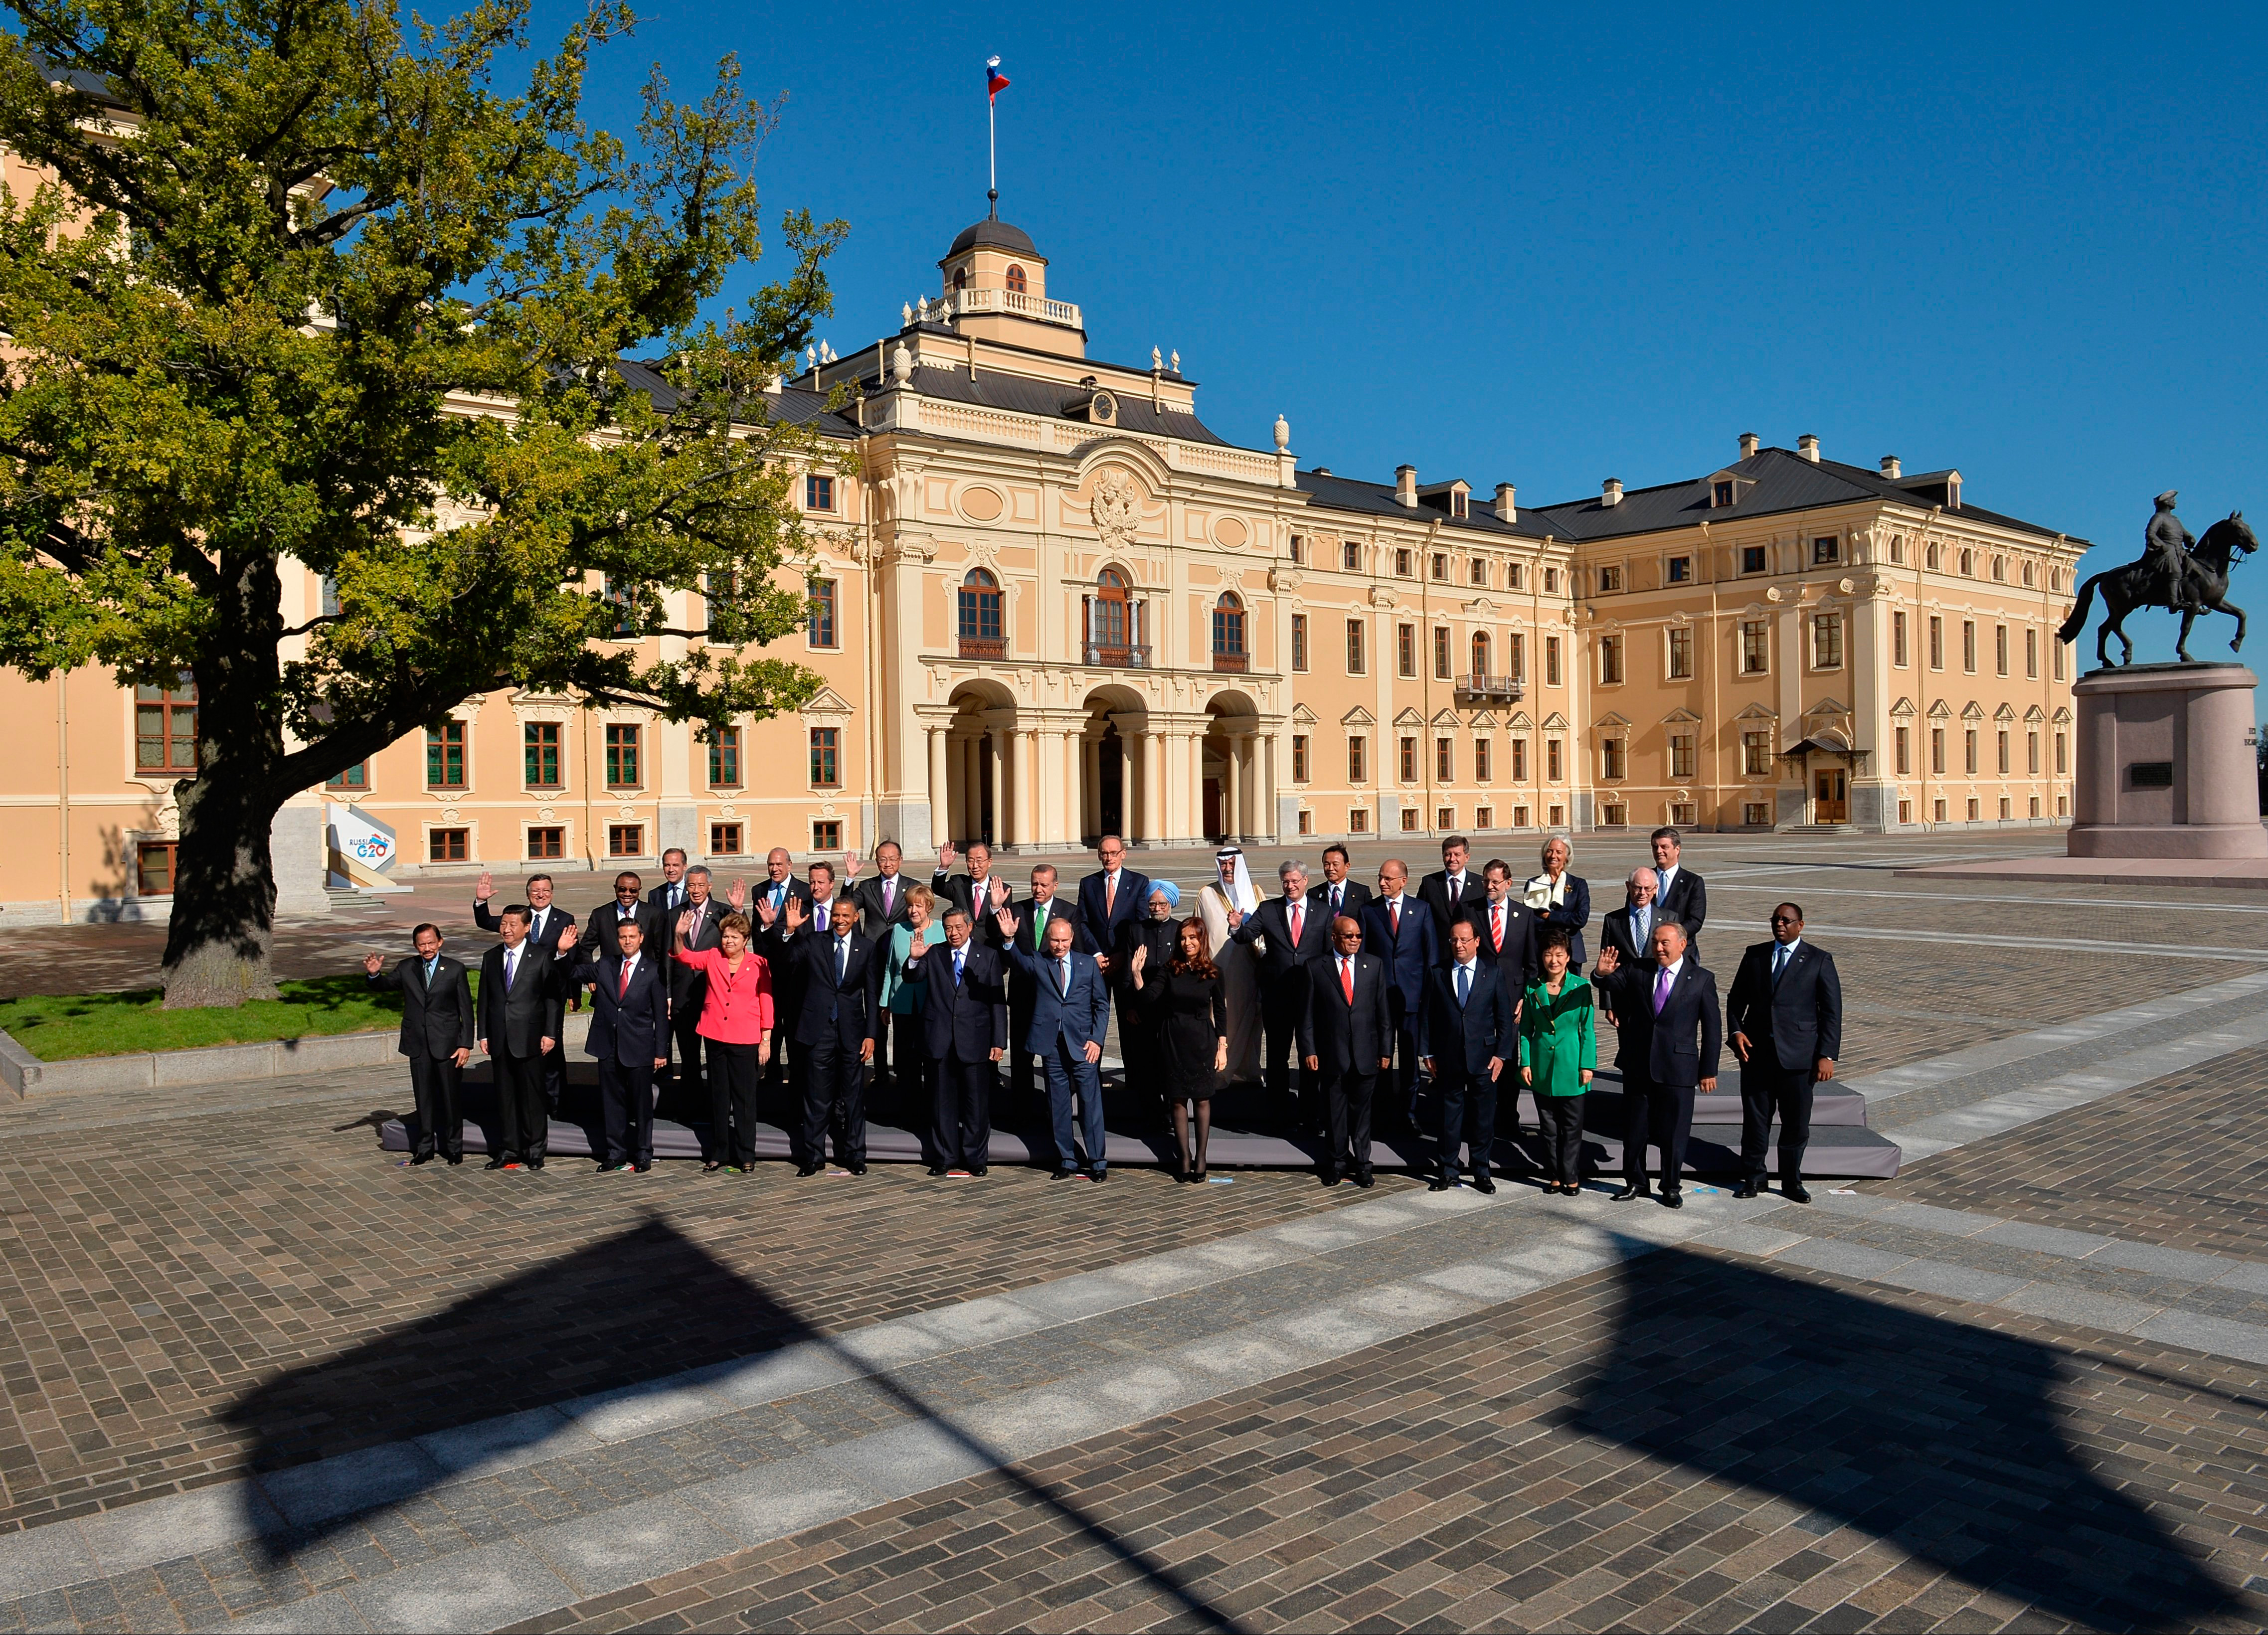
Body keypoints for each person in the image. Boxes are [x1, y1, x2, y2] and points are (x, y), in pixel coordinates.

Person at [1594, 920, 1721, 1208]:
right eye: (1655, 942)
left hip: (1679, 1067)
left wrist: (1708, 1070)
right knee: (1635, 1130)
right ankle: (1636, 1182)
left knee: (1674, 1132)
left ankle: (1670, 1186)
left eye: (1665, 943)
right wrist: (1600, 974)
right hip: (1639, 1064)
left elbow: (1713, 1028)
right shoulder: (1639, 969)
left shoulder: (1701, 978)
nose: (1659, 948)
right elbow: (1610, 982)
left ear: (1682, 945)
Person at [1726, 902, 1843, 1203]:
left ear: (1800, 925)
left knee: (1796, 1123)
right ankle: (1754, 1177)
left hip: (1799, 1058)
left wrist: (1826, 1055)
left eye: (1786, 920)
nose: (1780, 924)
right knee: (1755, 1121)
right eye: (1776, 919)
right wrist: (1736, 1032)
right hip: (1757, 1056)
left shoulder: (1818, 960)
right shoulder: (1756, 955)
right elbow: (1736, 999)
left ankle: (1791, 1180)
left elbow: (1831, 1012)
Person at [995, 907, 1113, 1180]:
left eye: (1064, 940)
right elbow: (1018, 962)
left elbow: (1102, 1006)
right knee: (1058, 1105)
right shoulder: (1039, 962)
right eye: (1055, 941)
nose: (1060, 946)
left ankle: (1097, 1161)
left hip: (1084, 1046)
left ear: (1072, 939)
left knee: (1090, 1104)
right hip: (1052, 1045)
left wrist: (1097, 1039)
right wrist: (1009, 940)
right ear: (1048, 940)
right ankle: (1068, 1159)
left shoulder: (1087, 965)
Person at [558, 914, 671, 1173]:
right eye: (623, 937)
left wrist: (660, 1050)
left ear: (641, 939)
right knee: (612, 1103)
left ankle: (643, 1153)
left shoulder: (653, 970)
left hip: (639, 1047)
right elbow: (573, 973)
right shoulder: (605, 964)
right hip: (607, 1045)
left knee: (642, 1105)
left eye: (632, 937)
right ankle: (616, 1153)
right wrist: (563, 953)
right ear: (617, 940)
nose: (628, 941)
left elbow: (660, 1016)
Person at [780, 894, 881, 1175]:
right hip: (818, 1031)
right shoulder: (815, 941)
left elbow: (871, 995)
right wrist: (790, 932)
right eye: (836, 915)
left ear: (856, 918)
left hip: (852, 1032)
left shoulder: (867, 948)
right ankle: (813, 1156)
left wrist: (871, 1034)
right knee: (816, 1096)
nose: (839, 921)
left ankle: (855, 1155)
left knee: (853, 1097)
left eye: (845, 916)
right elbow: (788, 963)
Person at [672, 906, 773, 1174]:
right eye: (726, 937)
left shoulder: (758, 964)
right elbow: (684, 957)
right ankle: (720, 1152)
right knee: (719, 1096)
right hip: (716, 1034)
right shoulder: (713, 958)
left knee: (745, 1099)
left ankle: (746, 1154)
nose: (728, 942)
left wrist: (766, 1039)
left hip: (747, 1038)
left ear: (745, 940)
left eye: (734, 938)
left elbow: (766, 999)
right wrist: (679, 935)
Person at [1230, 859, 1332, 1123]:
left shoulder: (1323, 911)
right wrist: (1236, 925)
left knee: (1311, 1056)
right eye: (1286, 882)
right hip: (1278, 997)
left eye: (1295, 881)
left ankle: (1311, 1113)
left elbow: (1329, 955)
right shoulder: (1268, 909)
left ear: (1306, 881)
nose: (1290, 886)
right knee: (1277, 1057)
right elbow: (1245, 937)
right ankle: (1278, 1111)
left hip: (1311, 999)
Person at [363, 924, 474, 1165]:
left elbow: (466, 1009)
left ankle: (454, 1148)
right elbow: (384, 986)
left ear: (440, 942)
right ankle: (424, 1148)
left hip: (448, 1045)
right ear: (416, 946)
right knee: (423, 1099)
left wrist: (465, 1044)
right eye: (422, 944)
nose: (427, 948)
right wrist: (374, 975)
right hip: (418, 1044)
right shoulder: (407, 968)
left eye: (431, 943)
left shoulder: (454, 969)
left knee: (450, 1099)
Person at [1417, 918, 1514, 1193]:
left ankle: (1481, 1170)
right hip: (1448, 1057)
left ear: (1476, 942)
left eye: (1463, 940)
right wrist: (1428, 1052)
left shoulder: (1492, 974)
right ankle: (1448, 1170)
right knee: (1450, 1118)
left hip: (1484, 1058)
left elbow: (1504, 1018)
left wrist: (1501, 1055)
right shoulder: (1438, 973)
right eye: (1453, 940)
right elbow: (1427, 1016)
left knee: (1483, 1118)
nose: (1458, 946)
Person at [991, 865, 1092, 1121]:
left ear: (1055, 885)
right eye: (1034, 884)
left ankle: (1056, 1111)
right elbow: (1003, 953)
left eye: (1044, 885)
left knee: (1056, 1059)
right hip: (1023, 996)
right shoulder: (1017, 910)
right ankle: (1023, 1112)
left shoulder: (1070, 912)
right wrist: (997, 917)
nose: (1038, 889)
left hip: (1055, 1002)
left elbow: (1078, 955)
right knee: (1022, 1060)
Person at [1299, 915, 1394, 1187]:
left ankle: (1363, 1164)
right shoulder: (1316, 967)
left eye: (1358, 936)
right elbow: (1306, 1016)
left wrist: (1386, 1050)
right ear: (1334, 938)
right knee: (1334, 1113)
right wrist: (1309, 1050)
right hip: (1332, 1054)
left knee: (1362, 1115)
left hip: (1366, 1054)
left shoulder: (1373, 965)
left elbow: (1383, 1014)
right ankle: (1337, 1162)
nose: (1355, 940)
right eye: (1349, 936)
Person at [1132, 917, 1227, 1180]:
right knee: (1177, 1099)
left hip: (1201, 1041)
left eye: (1193, 938)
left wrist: (1223, 1046)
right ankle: (1184, 1157)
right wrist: (1137, 974)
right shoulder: (1168, 969)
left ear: (1202, 939)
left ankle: (1202, 1157)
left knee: (1202, 1098)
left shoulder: (1213, 972)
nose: (1188, 943)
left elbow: (1220, 1012)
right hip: (1172, 1039)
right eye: (1184, 938)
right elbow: (1148, 1000)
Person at [474, 906, 568, 1171]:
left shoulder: (540, 956)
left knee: (532, 1097)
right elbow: (485, 998)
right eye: (504, 924)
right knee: (505, 1097)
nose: (506, 929)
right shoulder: (491, 957)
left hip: (530, 1037)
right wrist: (483, 1033)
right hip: (499, 1037)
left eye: (513, 924)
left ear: (527, 928)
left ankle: (536, 1150)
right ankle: (509, 1149)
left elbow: (552, 997)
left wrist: (550, 1033)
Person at [917, 905, 1009, 1176]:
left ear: (970, 927)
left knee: (976, 1104)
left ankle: (976, 1157)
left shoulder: (988, 956)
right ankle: (945, 1155)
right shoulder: (935, 953)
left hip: (975, 1039)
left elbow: (997, 1002)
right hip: (940, 1039)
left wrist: (998, 1042)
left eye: (959, 927)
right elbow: (914, 977)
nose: (953, 933)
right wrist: (912, 960)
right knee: (941, 1102)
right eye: (948, 928)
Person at [472, 869, 570, 1110]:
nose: (541, 895)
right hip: (518, 1000)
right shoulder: (514, 918)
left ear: (552, 893)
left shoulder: (564, 919)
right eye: (536, 891)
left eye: (546, 890)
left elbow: (570, 959)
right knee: (524, 1061)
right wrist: (481, 902)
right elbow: (485, 921)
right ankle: (526, 1106)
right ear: (528, 894)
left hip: (546, 997)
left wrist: (573, 993)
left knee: (552, 1052)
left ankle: (556, 1105)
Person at [1360, 859, 1436, 1134]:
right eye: (1380, 878)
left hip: (1412, 997)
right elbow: (1364, 957)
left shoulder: (1421, 910)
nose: (1382, 883)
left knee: (1408, 1059)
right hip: (1379, 999)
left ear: (1403, 881)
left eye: (1388, 879)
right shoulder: (1369, 911)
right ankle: (1380, 1111)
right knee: (1381, 1055)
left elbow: (1431, 957)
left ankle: (1409, 1111)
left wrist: (1428, 996)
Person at [1519, 932, 1596, 1195]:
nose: (1554, 960)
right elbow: (1526, 1030)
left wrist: (1588, 1065)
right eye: (1549, 954)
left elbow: (1587, 1030)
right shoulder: (1532, 987)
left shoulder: (1581, 987)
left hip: (1572, 1066)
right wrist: (1526, 1062)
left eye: (1560, 955)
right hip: (1542, 1067)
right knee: (1548, 1127)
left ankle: (1571, 1176)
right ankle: (1553, 1175)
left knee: (1572, 1128)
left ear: (1569, 957)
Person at [879, 883, 945, 1147]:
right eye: (909, 905)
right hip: (903, 1003)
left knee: (930, 1059)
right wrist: (885, 1003)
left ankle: (933, 1114)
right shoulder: (898, 930)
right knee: (906, 1062)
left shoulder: (941, 929)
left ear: (929, 907)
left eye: (918, 906)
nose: (913, 910)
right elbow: (889, 969)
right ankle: (909, 1114)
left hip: (932, 1005)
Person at [850, 841, 917, 1098]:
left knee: (902, 1015)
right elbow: (848, 905)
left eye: (892, 859)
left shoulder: (911, 886)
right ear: (876, 861)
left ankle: (903, 1070)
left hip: (902, 958)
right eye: (882, 860)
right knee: (877, 1014)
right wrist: (850, 878)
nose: (887, 864)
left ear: (900, 860)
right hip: (874, 958)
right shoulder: (867, 887)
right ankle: (879, 1070)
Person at [1114, 881, 1184, 1126]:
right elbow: (1126, 975)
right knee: (1145, 1061)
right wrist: (1129, 1007)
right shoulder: (1136, 930)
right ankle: (1151, 1113)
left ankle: (1172, 1111)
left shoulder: (1180, 930)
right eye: (1152, 904)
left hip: (1170, 1009)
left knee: (1170, 1061)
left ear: (1171, 904)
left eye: (1162, 904)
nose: (1157, 908)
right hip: (1142, 1008)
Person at [1197, 848, 1263, 1085]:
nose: (1228, 869)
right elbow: (1199, 934)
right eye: (1224, 865)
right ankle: (1220, 1071)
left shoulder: (1256, 893)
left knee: (1250, 1021)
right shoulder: (1206, 894)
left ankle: (1248, 1070)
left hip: (1249, 971)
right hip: (1219, 972)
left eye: (1232, 865)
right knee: (1221, 1020)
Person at [658, 864, 721, 1111]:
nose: (696, 891)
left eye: (701, 885)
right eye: (691, 885)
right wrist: (668, 995)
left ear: (710, 887)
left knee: (716, 1057)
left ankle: (716, 1107)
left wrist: (738, 909)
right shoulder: (675, 914)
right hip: (683, 997)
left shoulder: (721, 912)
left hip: (713, 995)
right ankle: (691, 1107)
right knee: (689, 1057)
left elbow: (737, 942)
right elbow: (667, 956)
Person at [1077, 833, 1150, 978]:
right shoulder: (1087, 884)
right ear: (1099, 856)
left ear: (1123, 854)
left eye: (1114, 853)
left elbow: (1141, 923)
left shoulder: (1139, 882)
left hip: (1126, 960)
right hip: (1097, 962)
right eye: (1104, 853)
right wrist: (1096, 954)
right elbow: (1082, 923)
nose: (1109, 858)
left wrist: (1123, 953)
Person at [1598, 867, 1660, 1029]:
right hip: (1625, 1000)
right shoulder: (1613, 920)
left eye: (1647, 888)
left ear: (1655, 889)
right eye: (1637, 887)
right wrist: (1608, 1003)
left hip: (1658, 998)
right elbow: (1606, 964)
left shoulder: (1668, 918)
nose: (1642, 893)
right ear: (1628, 887)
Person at [1417, 835, 1486, 965]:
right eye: (1448, 855)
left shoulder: (1480, 884)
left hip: (1470, 954)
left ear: (1467, 857)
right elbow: (1421, 919)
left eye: (1457, 855)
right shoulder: (1430, 883)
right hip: (1439, 953)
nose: (1452, 859)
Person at [1526, 836, 1592, 969]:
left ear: (1567, 857)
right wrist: (1564, 919)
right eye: (1550, 851)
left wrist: (1549, 916)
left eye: (1558, 852)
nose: (1553, 856)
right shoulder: (1534, 884)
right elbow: (1531, 919)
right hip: (1542, 951)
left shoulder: (1579, 885)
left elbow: (1581, 919)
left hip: (1572, 951)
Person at [1473, 859, 1540, 987]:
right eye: (1486, 881)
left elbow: (1531, 962)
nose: (1489, 886)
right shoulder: (1470, 911)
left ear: (1508, 883)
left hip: (1513, 988)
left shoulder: (1524, 915)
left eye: (1495, 882)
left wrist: (1527, 994)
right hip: (1480, 987)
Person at [1648, 827, 1707, 954]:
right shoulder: (1644, 878)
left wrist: (1670, 937)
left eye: (1664, 847)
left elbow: (1695, 921)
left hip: (1681, 951)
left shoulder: (1693, 882)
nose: (1659, 851)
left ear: (1677, 850)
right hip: (1648, 950)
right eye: (1655, 847)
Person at [586, 871, 666, 964]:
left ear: (639, 890)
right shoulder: (600, 915)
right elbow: (585, 948)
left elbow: (660, 950)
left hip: (643, 975)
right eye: (622, 890)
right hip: (611, 974)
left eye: (633, 891)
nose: (627, 894)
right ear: (615, 888)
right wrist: (592, 972)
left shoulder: (654, 914)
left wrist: (653, 973)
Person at [928, 839, 999, 921]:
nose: (975, 866)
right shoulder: (958, 883)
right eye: (971, 861)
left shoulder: (1001, 890)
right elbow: (938, 889)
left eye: (979, 861)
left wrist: (996, 907)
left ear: (989, 862)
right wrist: (944, 867)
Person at [1307, 843, 1373, 921]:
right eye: (1327, 864)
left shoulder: (1362, 892)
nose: (1331, 868)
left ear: (1347, 867)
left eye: (1335, 864)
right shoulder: (1314, 894)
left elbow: (1370, 921)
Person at [648, 848, 692, 921]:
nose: (671, 870)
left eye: (675, 865)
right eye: (667, 865)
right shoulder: (655, 895)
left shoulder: (696, 891)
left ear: (685, 867)